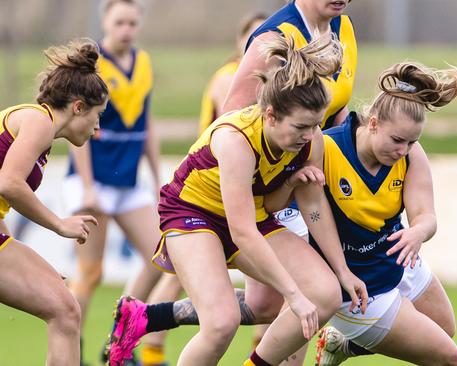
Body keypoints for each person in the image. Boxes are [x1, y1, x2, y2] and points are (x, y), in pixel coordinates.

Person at [107, 33, 367, 366]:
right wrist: (293, 294)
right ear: (270, 115)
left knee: (325, 294)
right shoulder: (236, 140)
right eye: (301, 126)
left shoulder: (310, 139)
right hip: (193, 212)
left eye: (316, 125)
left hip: (251, 214)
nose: (309, 135)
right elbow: (243, 232)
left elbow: (301, 206)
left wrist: (343, 271)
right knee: (221, 323)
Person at [312, 62, 457, 365]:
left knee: (445, 329)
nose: (403, 150)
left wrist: (417, 232)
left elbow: (426, 217)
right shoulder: (328, 148)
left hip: (395, 257)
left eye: (412, 142)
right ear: (373, 123)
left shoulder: (409, 156)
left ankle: (342, 345)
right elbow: (306, 211)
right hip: (356, 283)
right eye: (397, 140)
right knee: (449, 357)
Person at [227, 1, 358, 359]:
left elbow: (334, 111)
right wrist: (275, 178)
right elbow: (229, 119)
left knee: (270, 304)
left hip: (307, 181)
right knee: (295, 300)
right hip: (265, 188)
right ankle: (155, 318)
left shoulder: (343, 29)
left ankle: (152, 315)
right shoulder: (273, 38)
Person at [137, 12, 267, 366]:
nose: (262, 44)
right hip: (209, 187)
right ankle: (149, 345)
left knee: (245, 297)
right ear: (242, 43)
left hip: (237, 185)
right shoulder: (230, 79)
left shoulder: (270, 83)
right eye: (254, 37)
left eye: (267, 36)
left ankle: (144, 325)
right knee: (186, 282)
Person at [64, 1, 162, 362]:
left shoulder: (144, 63)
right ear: (105, 20)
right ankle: (70, 347)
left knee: (162, 254)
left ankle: (121, 335)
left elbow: (147, 125)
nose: (127, 29)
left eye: (132, 23)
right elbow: (76, 128)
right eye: (120, 22)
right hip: (96, 181)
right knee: (90, 272)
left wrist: (156, 178)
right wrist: (88, 186)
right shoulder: (94, 66)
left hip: (129, 180)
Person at [0, 39, 108, 366]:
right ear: (78, 107)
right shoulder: (40, 122)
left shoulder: (36, 125)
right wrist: (60, 224)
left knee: (65, 309)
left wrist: (33, 266)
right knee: (65, 311)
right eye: (98, 115)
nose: (97, 127)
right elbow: (9, 183)